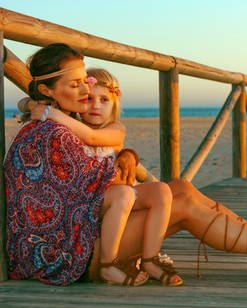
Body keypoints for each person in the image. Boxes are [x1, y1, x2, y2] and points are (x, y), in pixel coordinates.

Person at [5, 43, 247, 288]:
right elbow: (104, 193)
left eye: (84, 82)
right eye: (76, 86)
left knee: (180, 190)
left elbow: (98, 157)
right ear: (46, 91)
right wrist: (124, 161)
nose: (87, 92)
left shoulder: (60, 122)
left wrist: (127, 153)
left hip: (83, 241)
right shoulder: (50, 134)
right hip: (70, 257)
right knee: (180, 202)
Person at [18, 67, 183, 287]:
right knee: (124, 194)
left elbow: (93, 137)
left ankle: (150, 258)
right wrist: (32, 105)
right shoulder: (68, 124)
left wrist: (128, 154)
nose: (95, 106)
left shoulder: (113, 128)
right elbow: (23, 102)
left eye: (104, 99)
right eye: (89, 98)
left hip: (113, 197)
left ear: (115, 104)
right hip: (90, 205)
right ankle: (108, 265)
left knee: (162, 189)